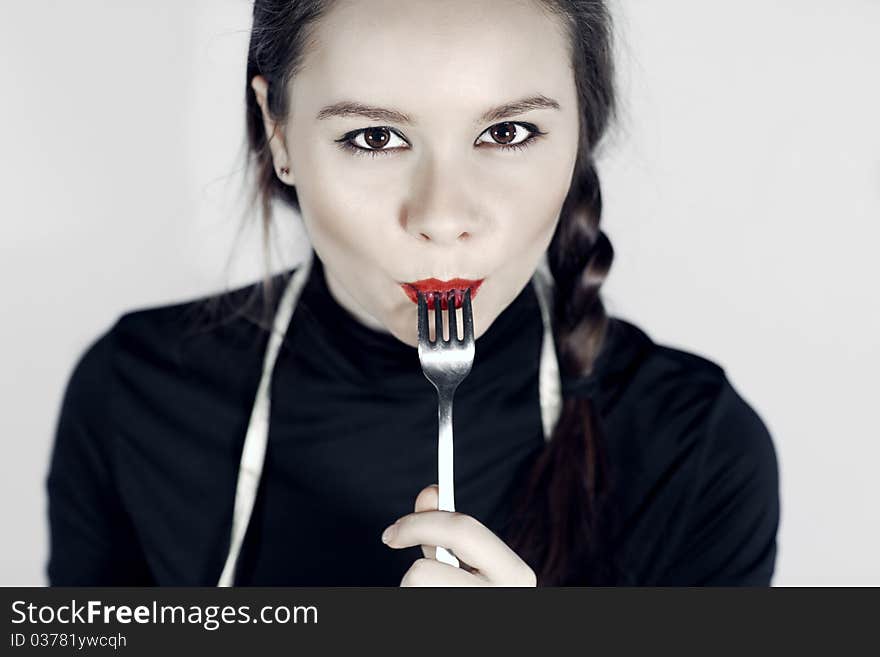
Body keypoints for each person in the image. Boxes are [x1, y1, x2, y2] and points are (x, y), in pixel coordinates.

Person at [46, 0, 780, 586]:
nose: (441, 217)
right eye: (373, 138)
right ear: (279, 134)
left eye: (509, 132)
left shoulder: (695, 450)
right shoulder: (130, 395)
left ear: (581, 130)